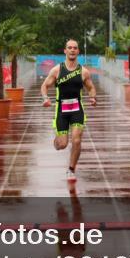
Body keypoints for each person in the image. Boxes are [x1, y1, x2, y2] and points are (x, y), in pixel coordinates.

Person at [40, 39, 97, 181]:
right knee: (63, 144)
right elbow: (44, 86)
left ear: (78, 51)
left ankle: (71, 169)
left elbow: (91, 87)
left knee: (76, 140)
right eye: (69, 48)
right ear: (65, 51)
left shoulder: (83, 71)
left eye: (75, 48)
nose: (72, 50)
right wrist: (45, 98)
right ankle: (57, 141)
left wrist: (93, 98)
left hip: (77, 109)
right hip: (61, 110)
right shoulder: (57, 70)